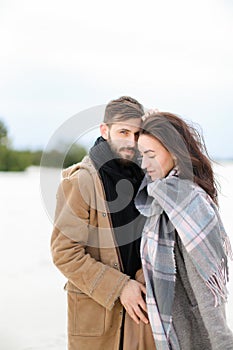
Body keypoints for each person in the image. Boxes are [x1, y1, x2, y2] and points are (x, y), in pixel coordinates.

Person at [51, 96, 156, 350]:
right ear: (104, 130)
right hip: (97, 315)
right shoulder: (81, 181)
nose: (131, 141)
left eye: (137, 133)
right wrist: (121, 287)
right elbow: (64, 253)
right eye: (123, 131)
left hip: (143, 314)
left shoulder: (148, 178)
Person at [135, 110, 233, 350]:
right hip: (176, 328)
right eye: (141, 155)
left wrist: (222, 342)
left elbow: (205, 287)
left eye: (150, 155)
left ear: (175, 154)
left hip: (194, 334)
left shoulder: (187, 203)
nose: (144, 164)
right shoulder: (163, 197)